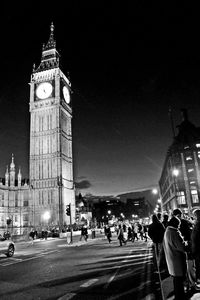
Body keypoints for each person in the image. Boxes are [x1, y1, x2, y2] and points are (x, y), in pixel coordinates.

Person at [163, 216, 187, 300]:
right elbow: (181, 247)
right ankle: (180, 297)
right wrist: (185, 243)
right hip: (177, 261)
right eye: (179, 224)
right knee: (179, 282)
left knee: (176, 281)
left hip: (172, 260)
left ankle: (179, 296)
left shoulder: (167, 231)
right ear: (175, 224)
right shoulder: (174, 233)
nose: (179, 226)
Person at [191, 209, 200, 290]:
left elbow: (195, 238)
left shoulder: (198, 225)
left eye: (195, 215)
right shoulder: (196, 224)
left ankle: (198, 280)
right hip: (197, 249)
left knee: (198, 265)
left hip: (198, 249)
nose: (194, 217)